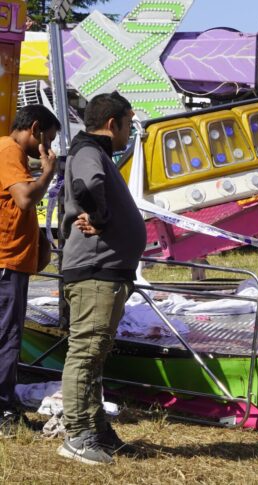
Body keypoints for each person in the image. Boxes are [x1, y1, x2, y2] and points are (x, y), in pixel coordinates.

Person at [58, 92, 145, 465]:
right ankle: (78, 435)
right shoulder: (91, 152)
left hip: (103, 271)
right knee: (87, 352)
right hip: (95, 271)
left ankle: (95, 429)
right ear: (113, 124)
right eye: (128, 124)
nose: (129, 132)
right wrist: (100, 217)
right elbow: (87, 187)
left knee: (94, 355)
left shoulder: (92, 152)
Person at [0, 105, 60, 435]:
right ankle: (3, 409)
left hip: (14, 263)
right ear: (34, 129)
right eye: (47, 141)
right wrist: (48, 171)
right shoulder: (9, 150)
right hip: (6, 264)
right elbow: (24, 199)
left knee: (7, 336)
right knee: (7, 339)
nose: (47, 150)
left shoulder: (14, 156)